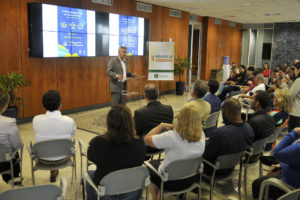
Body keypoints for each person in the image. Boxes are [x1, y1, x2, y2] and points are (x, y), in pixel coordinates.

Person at [144, 104, 205, 200]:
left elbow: (147, 139)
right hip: (192, 178)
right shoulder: (201, 135)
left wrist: (161, 125)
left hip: (170, 182)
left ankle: (156, 197)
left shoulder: (171, 136)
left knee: (148, 167)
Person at [86, 105, 146, 200]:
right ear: (131, 122)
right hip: (132, 193)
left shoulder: (98, 142)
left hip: (107, 193)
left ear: (108, 123)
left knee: (88, 174)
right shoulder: (140, 143)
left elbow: (90, 157)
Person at [33, 90, 76, 182]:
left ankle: (53, 171)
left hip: (42, 159)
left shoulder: (36, 119)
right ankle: (54, 170)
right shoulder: (69, 121)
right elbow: (73, 135)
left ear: (43, 105)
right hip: (63, 158)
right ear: (60, 104)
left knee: (50, 142)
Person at [203, 98, 254, 175]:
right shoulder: (249, 129)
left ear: (226, 112)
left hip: (213, 170)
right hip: (232, 167)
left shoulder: (219, 133)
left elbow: (205, 154)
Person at [252, 127, 300, 200]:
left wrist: (294, 133)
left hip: (292, 187)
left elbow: (277, 154)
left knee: (257, 183)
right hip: (295, 177)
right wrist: (283, 165)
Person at [134, 83, 173, 155]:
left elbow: (136, 132)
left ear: (145, 96)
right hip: (164, 145)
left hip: (147, 148)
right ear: (158, 94)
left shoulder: (139, 112)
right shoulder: (169, 109)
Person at [0, 91, 23, 185]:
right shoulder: (9, 122)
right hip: (4, 163)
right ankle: (14, 181)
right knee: (13, 153)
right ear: (5, 105)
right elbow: (18, 145)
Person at [288, 62, 300, 132]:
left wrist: (284, 84)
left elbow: (289, 95)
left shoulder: (298, 80)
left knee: (292, 137)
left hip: (296, 112)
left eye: (295, 69)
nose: (294, 71)